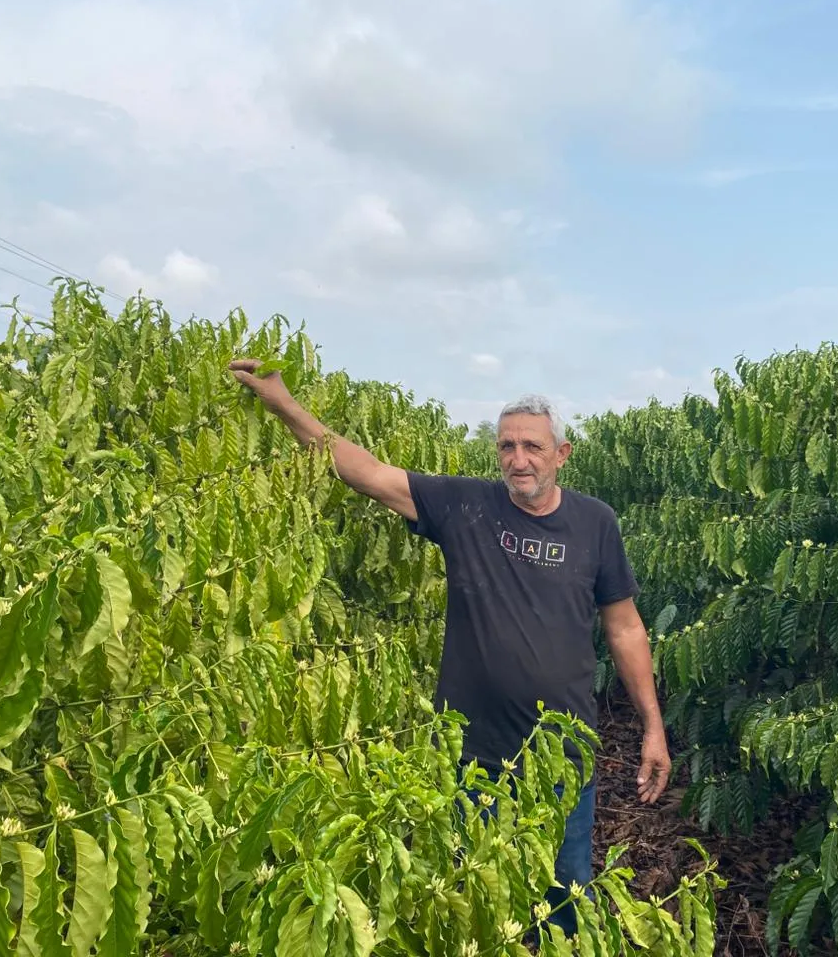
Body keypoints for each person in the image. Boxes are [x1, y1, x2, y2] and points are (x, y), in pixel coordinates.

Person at [229, 360, 671, 933]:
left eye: (533, 447)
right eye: (507, 445)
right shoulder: (466, 507)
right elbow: (366, 473)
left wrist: (652, 727)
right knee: (470, 902)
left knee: (563, 901)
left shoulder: (595, 524)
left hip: (563, 755)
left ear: (561, 454)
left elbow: (625, 628)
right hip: (472, 755)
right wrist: (284, 404)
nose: (519, 459)